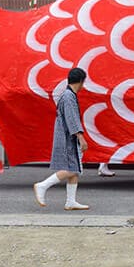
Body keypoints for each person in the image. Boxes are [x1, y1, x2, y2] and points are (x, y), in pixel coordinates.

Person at [34, 67, 91, 210]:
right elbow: (72, 119)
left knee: (75, 168)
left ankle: (70, 201)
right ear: (80, 81)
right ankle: (43, 185)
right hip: (67, 138)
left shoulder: (68, 95)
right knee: (72, 168)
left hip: (68, 136)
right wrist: (81, 137)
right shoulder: (68, 96)